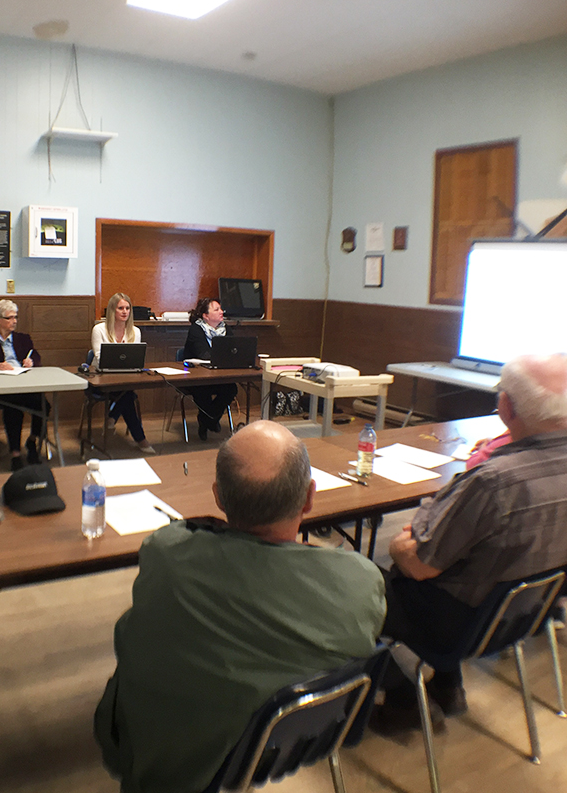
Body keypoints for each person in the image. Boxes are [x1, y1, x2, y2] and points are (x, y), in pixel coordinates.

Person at [94, 420, 386, 793]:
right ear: (310, 498)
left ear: (218, 496)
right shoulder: (361, 582)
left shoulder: (168, 554)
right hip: (292, 747)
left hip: (173, 767)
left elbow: (133, 636)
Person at [372, 354, 567, 735]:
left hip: (454, 624)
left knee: (357, 582)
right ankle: (448, 685)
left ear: (505, 406)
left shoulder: (494, 481)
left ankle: (401, 701)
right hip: (520, 619)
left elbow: (418, 563)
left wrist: (401, 539)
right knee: (476, 567)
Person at [0, 299, 50, 470]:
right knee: (13, 408)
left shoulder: (23, 339)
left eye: (15, 317)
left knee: (44, 405)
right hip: (1, 387)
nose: (14, 321)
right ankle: (15, 453)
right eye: (9, 318)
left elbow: (36, 357)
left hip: (25, 382)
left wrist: (31, 361)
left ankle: (32, 441)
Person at [90, 292, 154, 454]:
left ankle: (112, 418)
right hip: (100, 378)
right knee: (128, 395)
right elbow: (99, 356)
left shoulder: (135, 331)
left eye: (127, 308)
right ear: (112, 310)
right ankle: (140, 439)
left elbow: (134, 358)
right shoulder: (99, 329)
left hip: (125, 377)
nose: (125, 311)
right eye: (120, 308)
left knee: (126, 392)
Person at [183, 297, 238, 440]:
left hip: (219, 375)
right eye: (216, 309)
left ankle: (207, 419)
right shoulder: (196, 329)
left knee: (231, 388)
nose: (221, 312)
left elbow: (233, 351)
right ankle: (210, 420)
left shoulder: (226, 329)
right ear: (205, 316)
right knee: (202, 391)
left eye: (221, 309)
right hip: (196, 376)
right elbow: (203, 354)